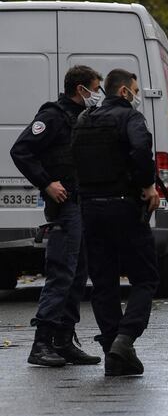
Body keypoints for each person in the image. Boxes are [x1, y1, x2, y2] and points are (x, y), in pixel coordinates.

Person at [10, 65, 104, 367]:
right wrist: (46, 182)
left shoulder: (82, 117)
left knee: (77, 276)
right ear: (81, 89)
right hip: (65, 208)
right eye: (95, 88)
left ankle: (64, 340)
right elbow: (21, 150)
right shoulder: (53, 116)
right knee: (62, 273)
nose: (97, 95)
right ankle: (41, 344)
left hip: (82, 204)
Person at [72, 68, 160, 375]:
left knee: (103, 282)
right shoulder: (130, 118)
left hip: (91, 210)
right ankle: (126, 338)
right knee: (145, 278)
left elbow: (74, 161)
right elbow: (140, 150)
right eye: (135, 90)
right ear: (124, 92)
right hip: (124, 206)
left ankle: (113, 350)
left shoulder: (85, 120)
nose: (137, 95)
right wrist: (148, 186)